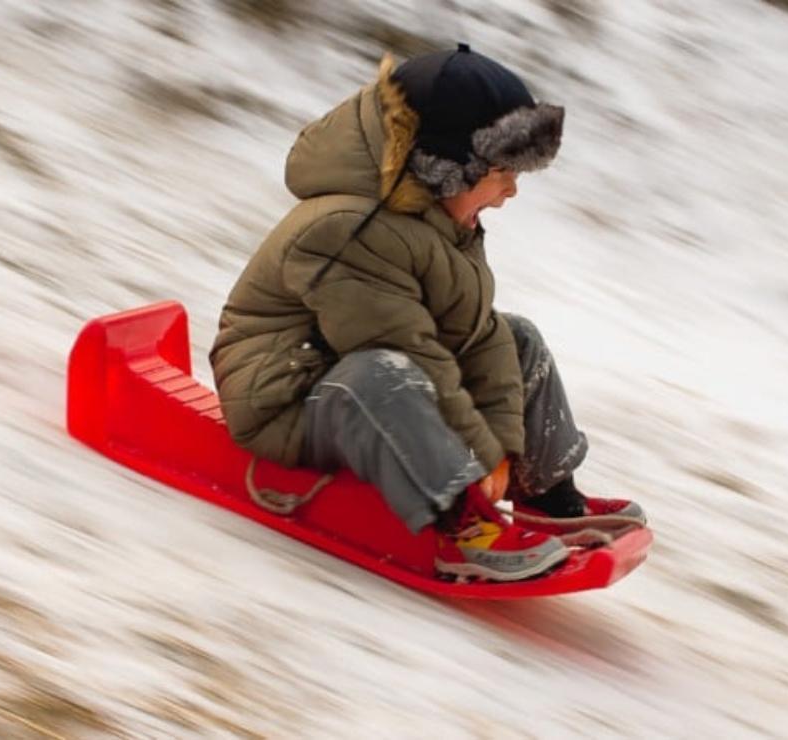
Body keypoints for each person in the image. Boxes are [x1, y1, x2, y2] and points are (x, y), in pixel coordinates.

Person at [210, 44, 646, 582]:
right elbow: (404, 346)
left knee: (516, 337)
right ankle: (466, 530)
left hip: (363, 373)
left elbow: (477, 335)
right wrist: (482, 454)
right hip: (287, 397)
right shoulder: (347, 228)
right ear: (449, 167)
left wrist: (503, 449)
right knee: (380, 374)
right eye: (503, 171)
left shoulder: (445, 221)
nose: (511, 190)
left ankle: (549, 499)